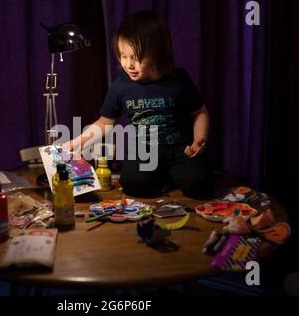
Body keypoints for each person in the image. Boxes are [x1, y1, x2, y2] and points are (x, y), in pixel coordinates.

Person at [64, 10, 214, 199]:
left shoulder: (179, 80)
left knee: (200, 185)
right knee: (134, 184)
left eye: (136, 57)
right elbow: (105, 122)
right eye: (123, 56)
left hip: (180, 149)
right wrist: (78, 141)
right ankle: (164, 178)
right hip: (146, 150)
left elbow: (200, 112)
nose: (129, 65)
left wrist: (199, 140)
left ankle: (172, 175)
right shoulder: (121, 85)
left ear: (157, 53)